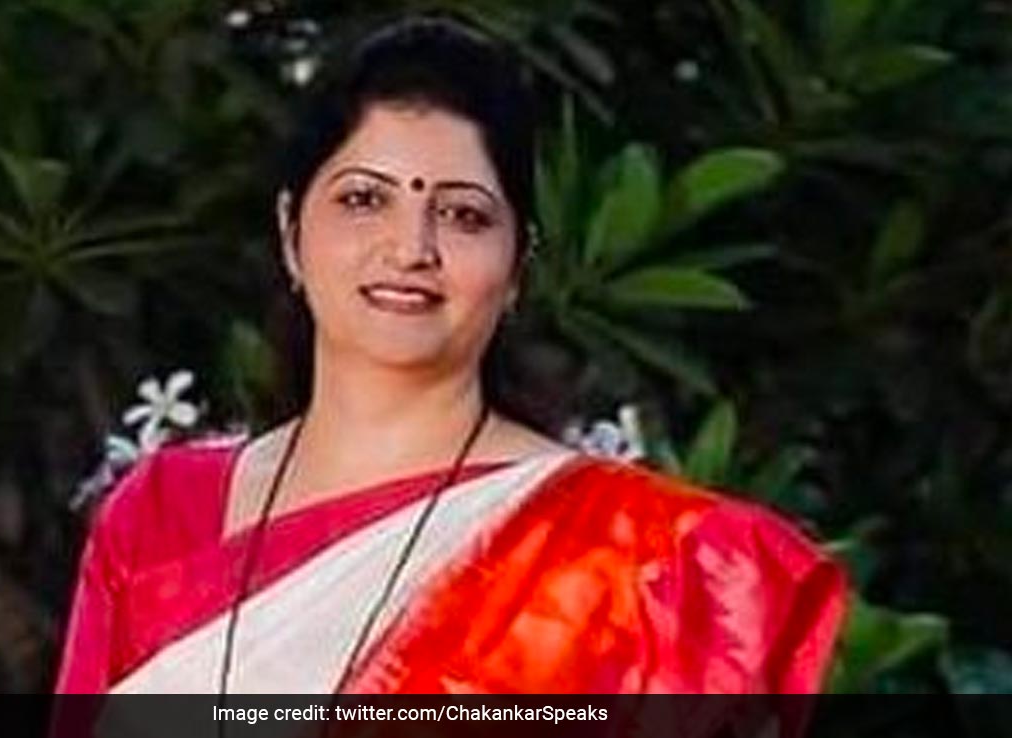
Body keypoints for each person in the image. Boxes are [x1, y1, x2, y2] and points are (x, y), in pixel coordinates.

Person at [54, 15, 846, 696]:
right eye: (364, 199)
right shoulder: (161, 516)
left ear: (517, 266)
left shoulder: (647, 565)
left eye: (463, 215)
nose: (411, 248)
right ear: (292, 233)